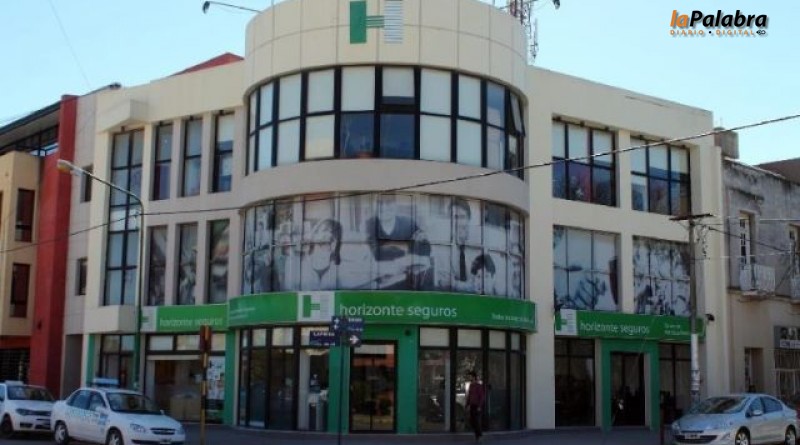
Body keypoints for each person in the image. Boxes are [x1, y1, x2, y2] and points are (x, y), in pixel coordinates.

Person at [303, 219, 342, 290]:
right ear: (314, 235)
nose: (329, 234)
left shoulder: (339, 273)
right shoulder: (301, 267)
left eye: (335, 234)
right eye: (325, 230)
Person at [450, 198, 475, 292]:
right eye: (455, 217)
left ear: (469, 219)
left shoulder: (478, 247)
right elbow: (444, 282)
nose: (459, 222)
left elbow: (479, 284)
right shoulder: (445, 247)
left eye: (462, 217)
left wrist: (454, 284)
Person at [465, 370, 485, 442]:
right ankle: (477, 435)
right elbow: (469, 396)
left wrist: (479, 406)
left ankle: (479, 435)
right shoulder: (471, 385)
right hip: (472, 405)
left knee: (476, 421)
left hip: (477, 405)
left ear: (473, 377)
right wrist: (467, 404)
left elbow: (482, 396)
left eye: (470, 376)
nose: (469, 378)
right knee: (472, 421)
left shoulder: (478, 385)